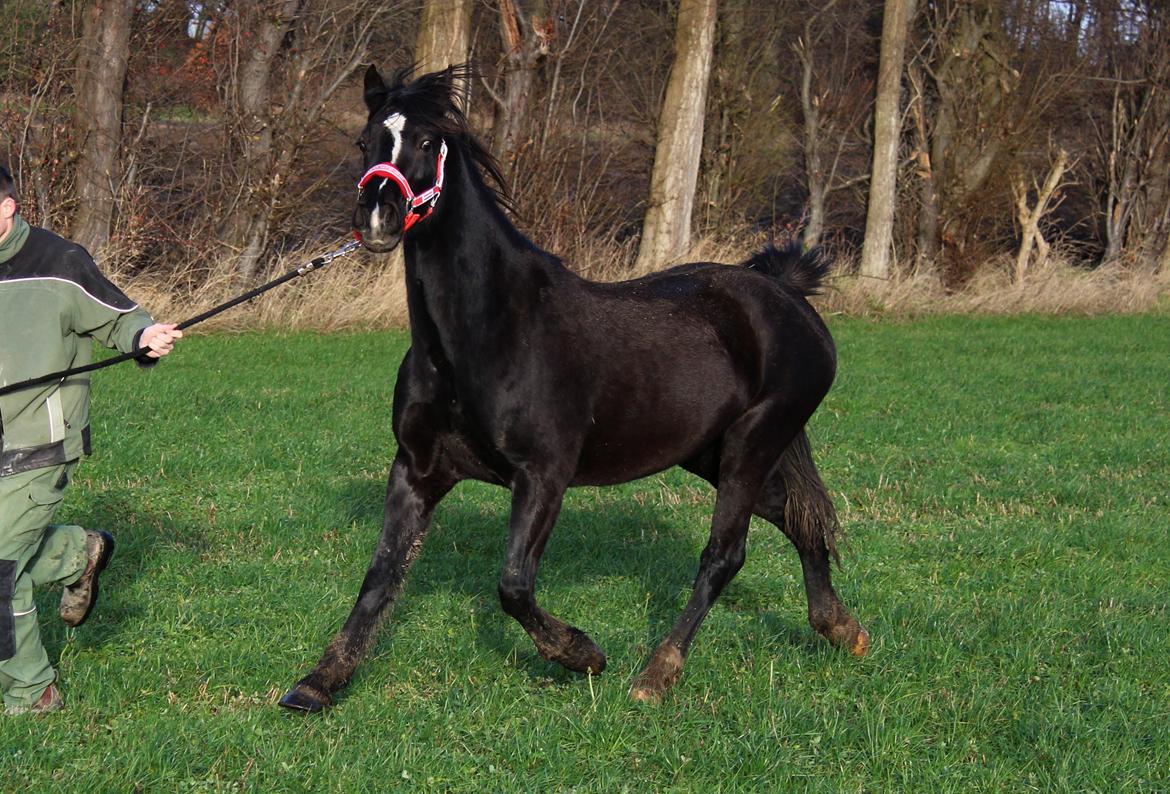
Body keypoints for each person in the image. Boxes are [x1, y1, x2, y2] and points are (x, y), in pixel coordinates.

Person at [0, 164, 182, 715]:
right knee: (11, 565)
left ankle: (33, 693)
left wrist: (144, 337)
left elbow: (121, 318)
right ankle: (80, 553)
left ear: (6, 206)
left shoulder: (60, 262)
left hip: (39, 445)